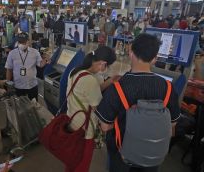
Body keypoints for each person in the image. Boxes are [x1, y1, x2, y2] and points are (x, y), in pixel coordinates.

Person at [96, 33, 181, 172]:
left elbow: (105, 127)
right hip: (153, 155)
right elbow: (172, 125)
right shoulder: (168, 87)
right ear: (155, 59)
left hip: (122, 153)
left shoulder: (117, 88)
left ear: (130, 52)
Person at [66, 47, 116, 172]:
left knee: (72, 160)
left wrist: (110, 81)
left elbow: (89, 91)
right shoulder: (90, 80)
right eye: (108, 66)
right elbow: (98, 108)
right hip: (84, 130)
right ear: (103, 63)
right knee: (82, 164)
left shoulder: (76, 71)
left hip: (71, 121)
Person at [5, 32, 50, 100]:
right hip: (18, 86)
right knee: (20, 107)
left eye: (23, 42)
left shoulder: (35, 52)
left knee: (34, 106)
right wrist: (8, 83)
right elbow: (9, 69)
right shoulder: (12, 53)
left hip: (32, 85)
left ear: (28, 42)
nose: (21, 44)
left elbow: (40, 65)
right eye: (20, 42)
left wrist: (46, 59)